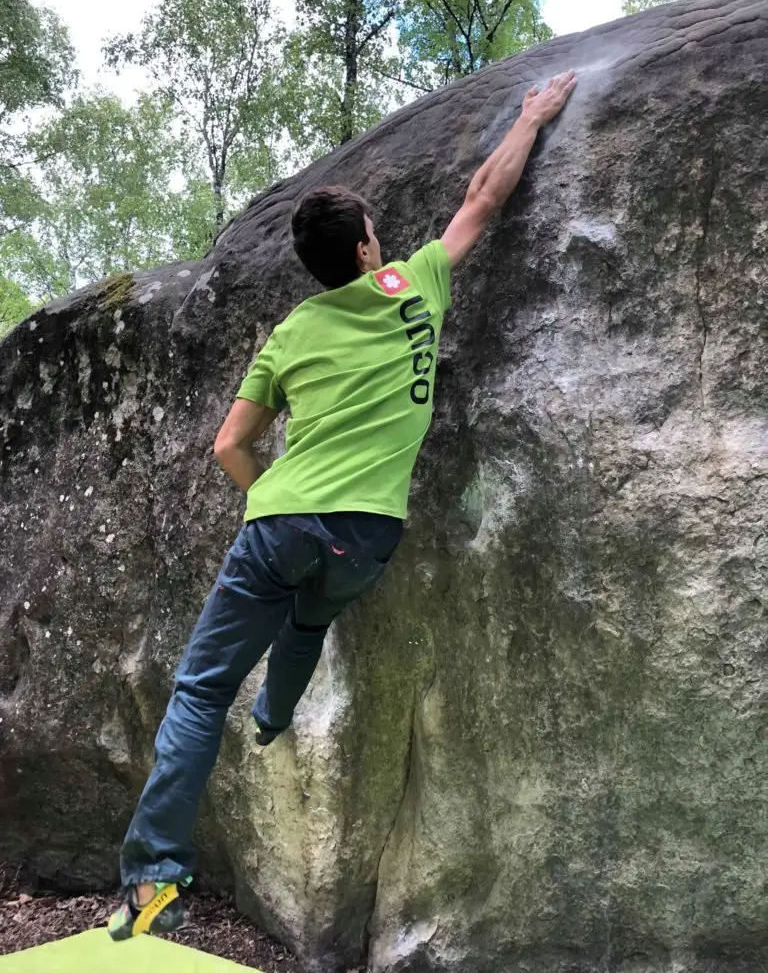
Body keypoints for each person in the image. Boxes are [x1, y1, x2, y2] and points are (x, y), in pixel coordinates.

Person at [108, 69, 577, 941]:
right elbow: (485, 195)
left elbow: (228, 447)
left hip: (281, 521)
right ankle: (276, 715)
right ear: (367, 251)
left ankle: (153, 874)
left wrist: (274, 506)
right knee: (313, 619)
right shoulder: (415, 289)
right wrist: (533, 115)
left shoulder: (291, 332)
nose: (381, 237)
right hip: (366, 534)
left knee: (200, 687)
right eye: (375, 229)